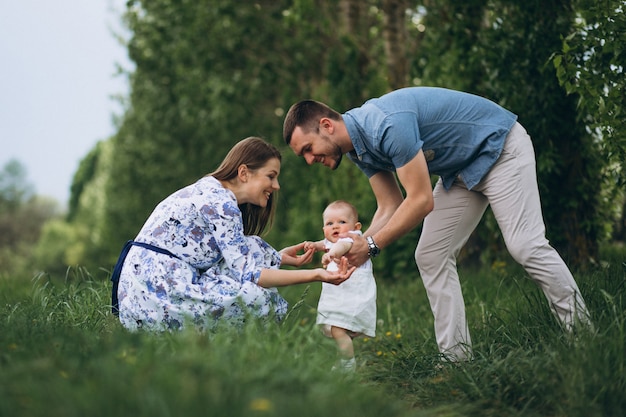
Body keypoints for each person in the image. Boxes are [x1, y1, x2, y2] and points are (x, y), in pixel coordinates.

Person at [283, 86, 591, 362]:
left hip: (500, 148)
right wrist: (349, 247)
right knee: (430, 255)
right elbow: (390, 205)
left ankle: (583, 336)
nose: (309, 160)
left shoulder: (386, 125)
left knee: (525, 245)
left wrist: (372, 245)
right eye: (303, 156)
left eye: (308, 149)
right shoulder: (358, 150)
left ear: (326, 125)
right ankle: (456, 359)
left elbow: (420, 201)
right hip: (459, 171)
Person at [111, 137, 355, 332]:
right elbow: (251, 274)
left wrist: (278, 258)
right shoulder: (223, 205)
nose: (276, 186)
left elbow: (238, 254)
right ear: (244, 172)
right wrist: (316, 275)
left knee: (252, 246)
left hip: (140, 289)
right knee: (259, 300)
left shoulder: (211, 189)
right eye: (271, 176)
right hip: (155, 291)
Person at [304, 200, 377, 371]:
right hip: (342, 294)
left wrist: (332, 254)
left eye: (342, 222)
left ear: (356, 226)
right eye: (330, 223)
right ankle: (344, 359)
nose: (335, 227)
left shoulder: (352, 238)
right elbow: (325, 244)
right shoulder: (331, 241)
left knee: (338, 329)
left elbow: (342, 246)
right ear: (324, 229)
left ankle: (348, 365)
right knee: (340, 330)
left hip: (353, 294)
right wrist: (314, 246)